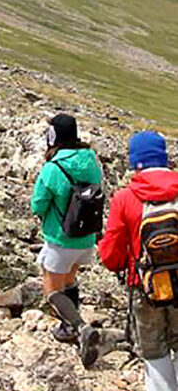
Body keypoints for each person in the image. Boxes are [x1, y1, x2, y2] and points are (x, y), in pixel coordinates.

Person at [99, 131, 178, 391]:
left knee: (155, 351)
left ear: (134, 161)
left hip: (145, 285)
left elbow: (110, 256)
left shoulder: (125, 198)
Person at [30, 113, 102, 366]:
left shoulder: (53, 168)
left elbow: (38, 203)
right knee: (70, 278)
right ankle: (67, 327)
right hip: (85, 237)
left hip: (61, 236)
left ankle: (79, 327)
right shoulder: (91, 161)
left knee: (51, 288)